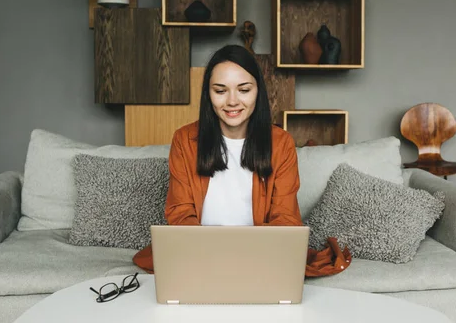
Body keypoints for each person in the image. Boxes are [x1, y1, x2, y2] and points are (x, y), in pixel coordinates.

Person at [133, 44, 350, 276]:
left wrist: (248, 254)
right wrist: (209, 253)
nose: (232, 101)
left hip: (263, 256)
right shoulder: (185, 140)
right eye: (220, 90)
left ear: (258, 91)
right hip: (198, 255)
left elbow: (285, 217)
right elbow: (180, 212)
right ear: (208, 94)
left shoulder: (281, 143)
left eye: (244, 90)